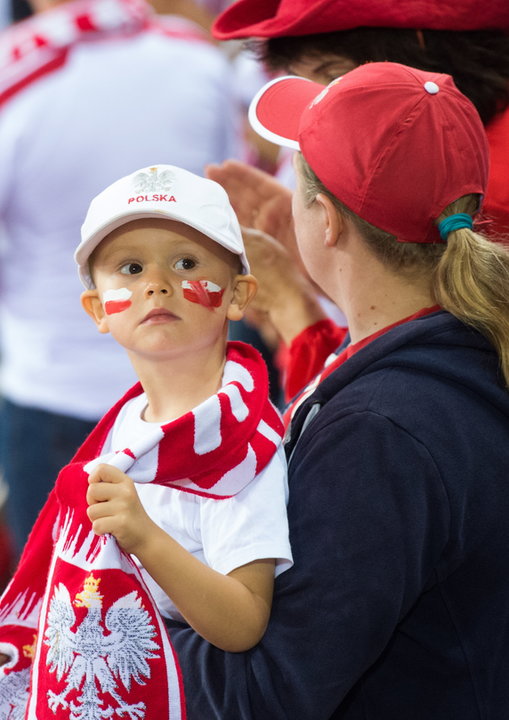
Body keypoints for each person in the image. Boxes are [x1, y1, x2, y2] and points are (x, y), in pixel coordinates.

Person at [164, 63, 509, 718]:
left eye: (293, 179)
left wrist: (106, 636)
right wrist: (297, 308)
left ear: (323, 220)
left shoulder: (381, 433)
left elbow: (269, 691)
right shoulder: (462, 340)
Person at [0, 164, 292, 717]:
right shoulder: (127, 423)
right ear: (97, 311)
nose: (156, 282)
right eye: (130, 267)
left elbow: (245, 622)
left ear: (237, 295)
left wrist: (144, 536)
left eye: (186, 263)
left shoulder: (239, 445)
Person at [0, 0, 244, 558]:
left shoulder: (14, 72)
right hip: (198, 388)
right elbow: (236, 222)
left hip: (57, 390)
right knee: (196, 622)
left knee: (59, 622)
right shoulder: (196, 59)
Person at [206, 0, 509, 399]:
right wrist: (315, 282)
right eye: (298, 79)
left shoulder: (487, 193)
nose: (317, 104)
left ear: (419, 49)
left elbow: (387, 400)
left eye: (333, 75)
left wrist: (296, 297)